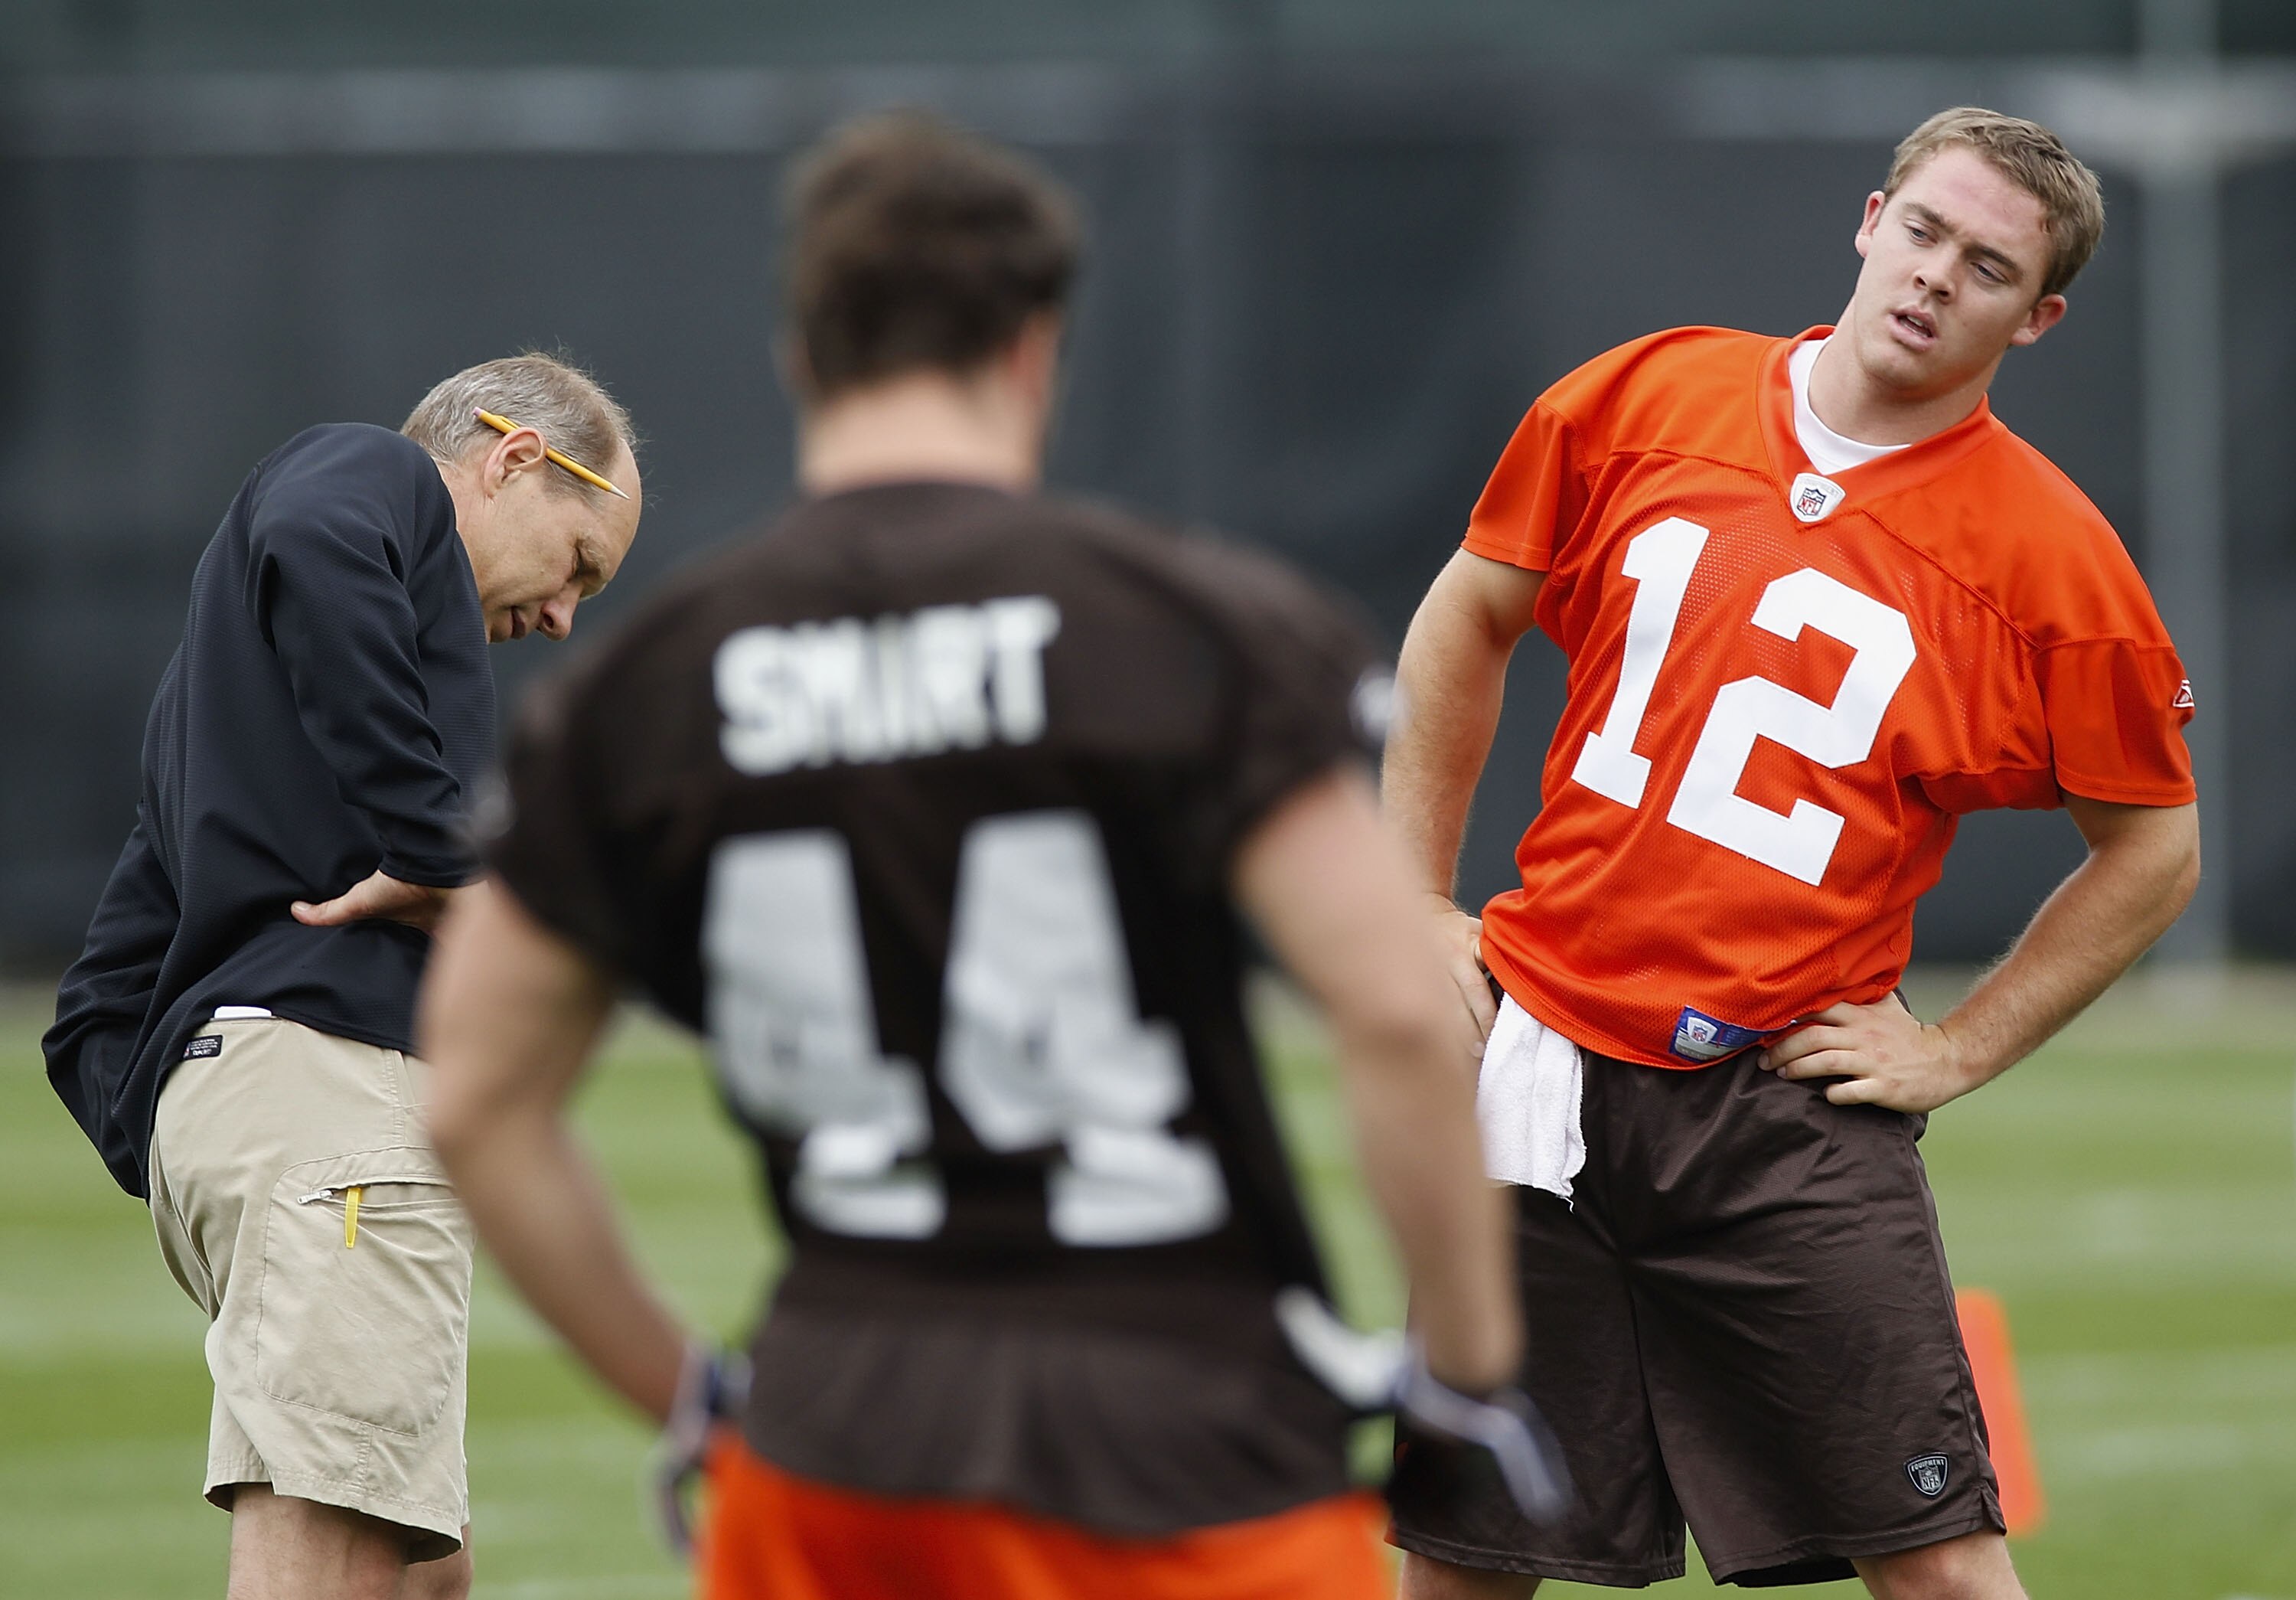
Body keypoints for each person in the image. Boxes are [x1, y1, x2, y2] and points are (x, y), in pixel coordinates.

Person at [418, 112, 1561, 1600]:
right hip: (1181, 1448)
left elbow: (478, 1099)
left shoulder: (651, 687)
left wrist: (695, 1397)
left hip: (835, 1466)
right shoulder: (1184, 625)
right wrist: (1469, 1370)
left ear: (803, 359)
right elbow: (1401, 1013)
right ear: (1034, 351)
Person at [1381, 106, 2200, 1598]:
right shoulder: (1645, 393)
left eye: (1991, 266)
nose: (1939, 276)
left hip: (1779, 1105)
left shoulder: (2055, 559)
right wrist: (1416, 901)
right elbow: (1465, 618)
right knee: (1465, 1560)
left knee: (1946, 1565)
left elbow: (2153, 848)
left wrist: (1958, 1046)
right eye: (1928, 232)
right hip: (1543, 1060)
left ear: (2041, 315)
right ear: (1871, 217)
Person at [44, 353, 643, 1600]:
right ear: (516, 460)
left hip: (268, 1128)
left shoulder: (220, 692)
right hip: (329, 1118)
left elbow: (95, 1006)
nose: (562, 618)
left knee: (427, 1574)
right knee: (338, 1565)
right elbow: (325, 531)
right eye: (580, 562)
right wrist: (445, 854)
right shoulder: (372, 476)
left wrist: (185, 1132)